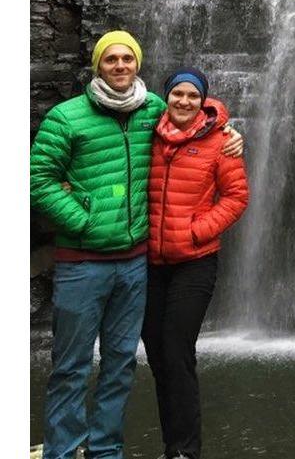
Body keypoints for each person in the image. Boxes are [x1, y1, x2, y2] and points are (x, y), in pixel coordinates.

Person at [30, 31, 243, 459]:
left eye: (128, 58)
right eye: (112, 59)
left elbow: (200, 113)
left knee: (121, 364)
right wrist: (83, 221)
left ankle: (108, 449)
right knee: (71, 365)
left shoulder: (153, 110)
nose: (121, 66)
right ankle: (63, 450)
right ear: (98, 65)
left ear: (138, 64)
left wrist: (228, 127)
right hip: (85, 260)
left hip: (135, 262)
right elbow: (38, 179)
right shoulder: (66, 117)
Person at [142, 67, 249, 459]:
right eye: (177, 94)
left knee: (176, 349)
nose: (184, 102)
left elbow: (236, 197)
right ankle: (173, 446)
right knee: (156, 354)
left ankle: (185, 450)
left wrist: (195, 231)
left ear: (203, 100)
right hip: (150, 262)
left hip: (194, 262)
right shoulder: (147, 134)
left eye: (192, 96)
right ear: (166, 96)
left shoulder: (222, 141)